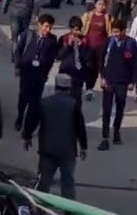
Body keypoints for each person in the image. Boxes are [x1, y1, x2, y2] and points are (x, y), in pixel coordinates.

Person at [22, 72, 88, 201]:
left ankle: (40, 209)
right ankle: (68, 211)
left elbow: (32, 120)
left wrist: (27, 136)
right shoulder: (74, 104)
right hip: (67, 151)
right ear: (69, 88)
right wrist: (84, 147)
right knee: (68, 183)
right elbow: (80, 127)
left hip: (47, 150)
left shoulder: (44, 103)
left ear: (55, 87)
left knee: (44, 182)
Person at [13, 14, 60, 132]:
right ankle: (20, 117)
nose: (48, 30)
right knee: (23, 97)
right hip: (26, 72)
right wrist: (18, 66)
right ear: (39, 25)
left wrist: (46, 73)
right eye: (46, 26)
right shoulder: (29, 35)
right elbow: (18, 50)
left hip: (40, 75)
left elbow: (53, 57)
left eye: (50, 27)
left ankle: (27, 127)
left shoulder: (52, 39)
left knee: (34, 102)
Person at [97, 19, 137, 151]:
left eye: (117, 32)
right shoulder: (108, 42)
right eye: (113, 31)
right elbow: (101, 60)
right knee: (107, 109)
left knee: (120, 108)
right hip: (109, 80)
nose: (114, 34)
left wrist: (132, 81)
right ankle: (105, 135)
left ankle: (116, 131)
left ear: (123, 31)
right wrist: (102, 77)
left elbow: (134, 64)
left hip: (123, 81)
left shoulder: (131, 43)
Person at [80, 0, 112, 96]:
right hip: (89, 46)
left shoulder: (108, 17)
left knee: (100, 67)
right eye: (99, 4)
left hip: (102, 47)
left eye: (103, 4)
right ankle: (89, 88)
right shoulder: (88, 15)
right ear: (95, 5)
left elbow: (110, 32)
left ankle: (101, 83)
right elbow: (81, 27)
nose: (101, 6)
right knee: (89, 66)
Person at [55, 17, 91, 101]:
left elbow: (88, 58)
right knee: (63, 98)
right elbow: (58, 56)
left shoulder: (85, 40)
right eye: (76, 29)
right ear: (70, 28)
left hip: (78, 74)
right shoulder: (63, 39)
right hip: (65, 72)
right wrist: (68, 46)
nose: (78, 32)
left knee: (76, 99)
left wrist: (81, 46)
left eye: (79, 30)